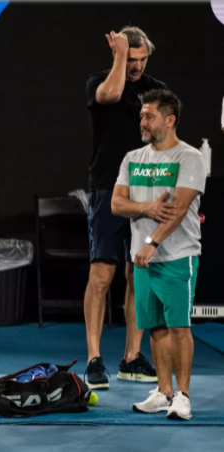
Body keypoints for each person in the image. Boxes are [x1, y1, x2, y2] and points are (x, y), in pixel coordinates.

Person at [112, 89, 206, 420]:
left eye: (149, 116)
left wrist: (151, 241)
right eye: (141, 116)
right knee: (156, 327)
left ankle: (183, 396)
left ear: (169, 120)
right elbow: (116, 204)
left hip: (177, 256)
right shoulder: (132, 158)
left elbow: (178, 209)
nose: (143, 121)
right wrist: (147, 209)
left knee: (179, 326)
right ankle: (164, 392)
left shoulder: (190, 157)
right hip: (143, 260)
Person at [84, 26, 166, 389]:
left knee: (139, 274)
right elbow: (112, 93)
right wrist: (117, 57)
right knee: (102, 275)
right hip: (108, 188)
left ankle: (132, 358)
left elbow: (165, 138)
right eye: (129, 59)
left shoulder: (157, 92)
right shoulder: (99, 82)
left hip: (146, 193)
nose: (136, 66)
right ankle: (94, 359)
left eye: (141, 59)